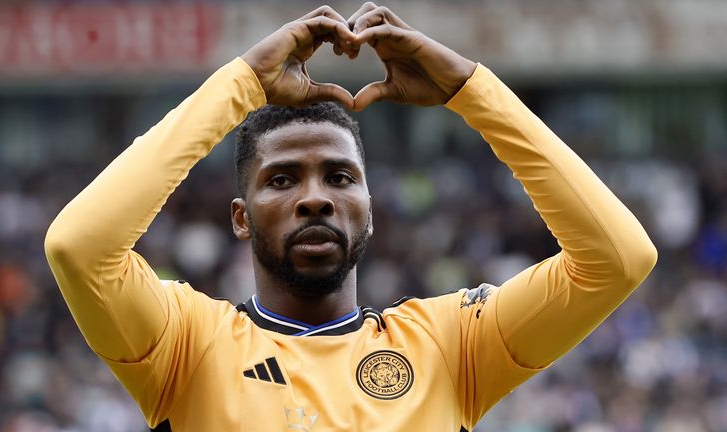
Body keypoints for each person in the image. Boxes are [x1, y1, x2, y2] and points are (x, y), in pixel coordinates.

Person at [44, 3, 657, 431]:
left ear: (371, 210)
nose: (314, 198)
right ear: (240, 217)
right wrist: (241, 84)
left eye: (340, 177)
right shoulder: (184, 344)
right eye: (282, 180)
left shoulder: (450, 348)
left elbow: (617, 260)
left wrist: (472, 91)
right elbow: (79, 247)